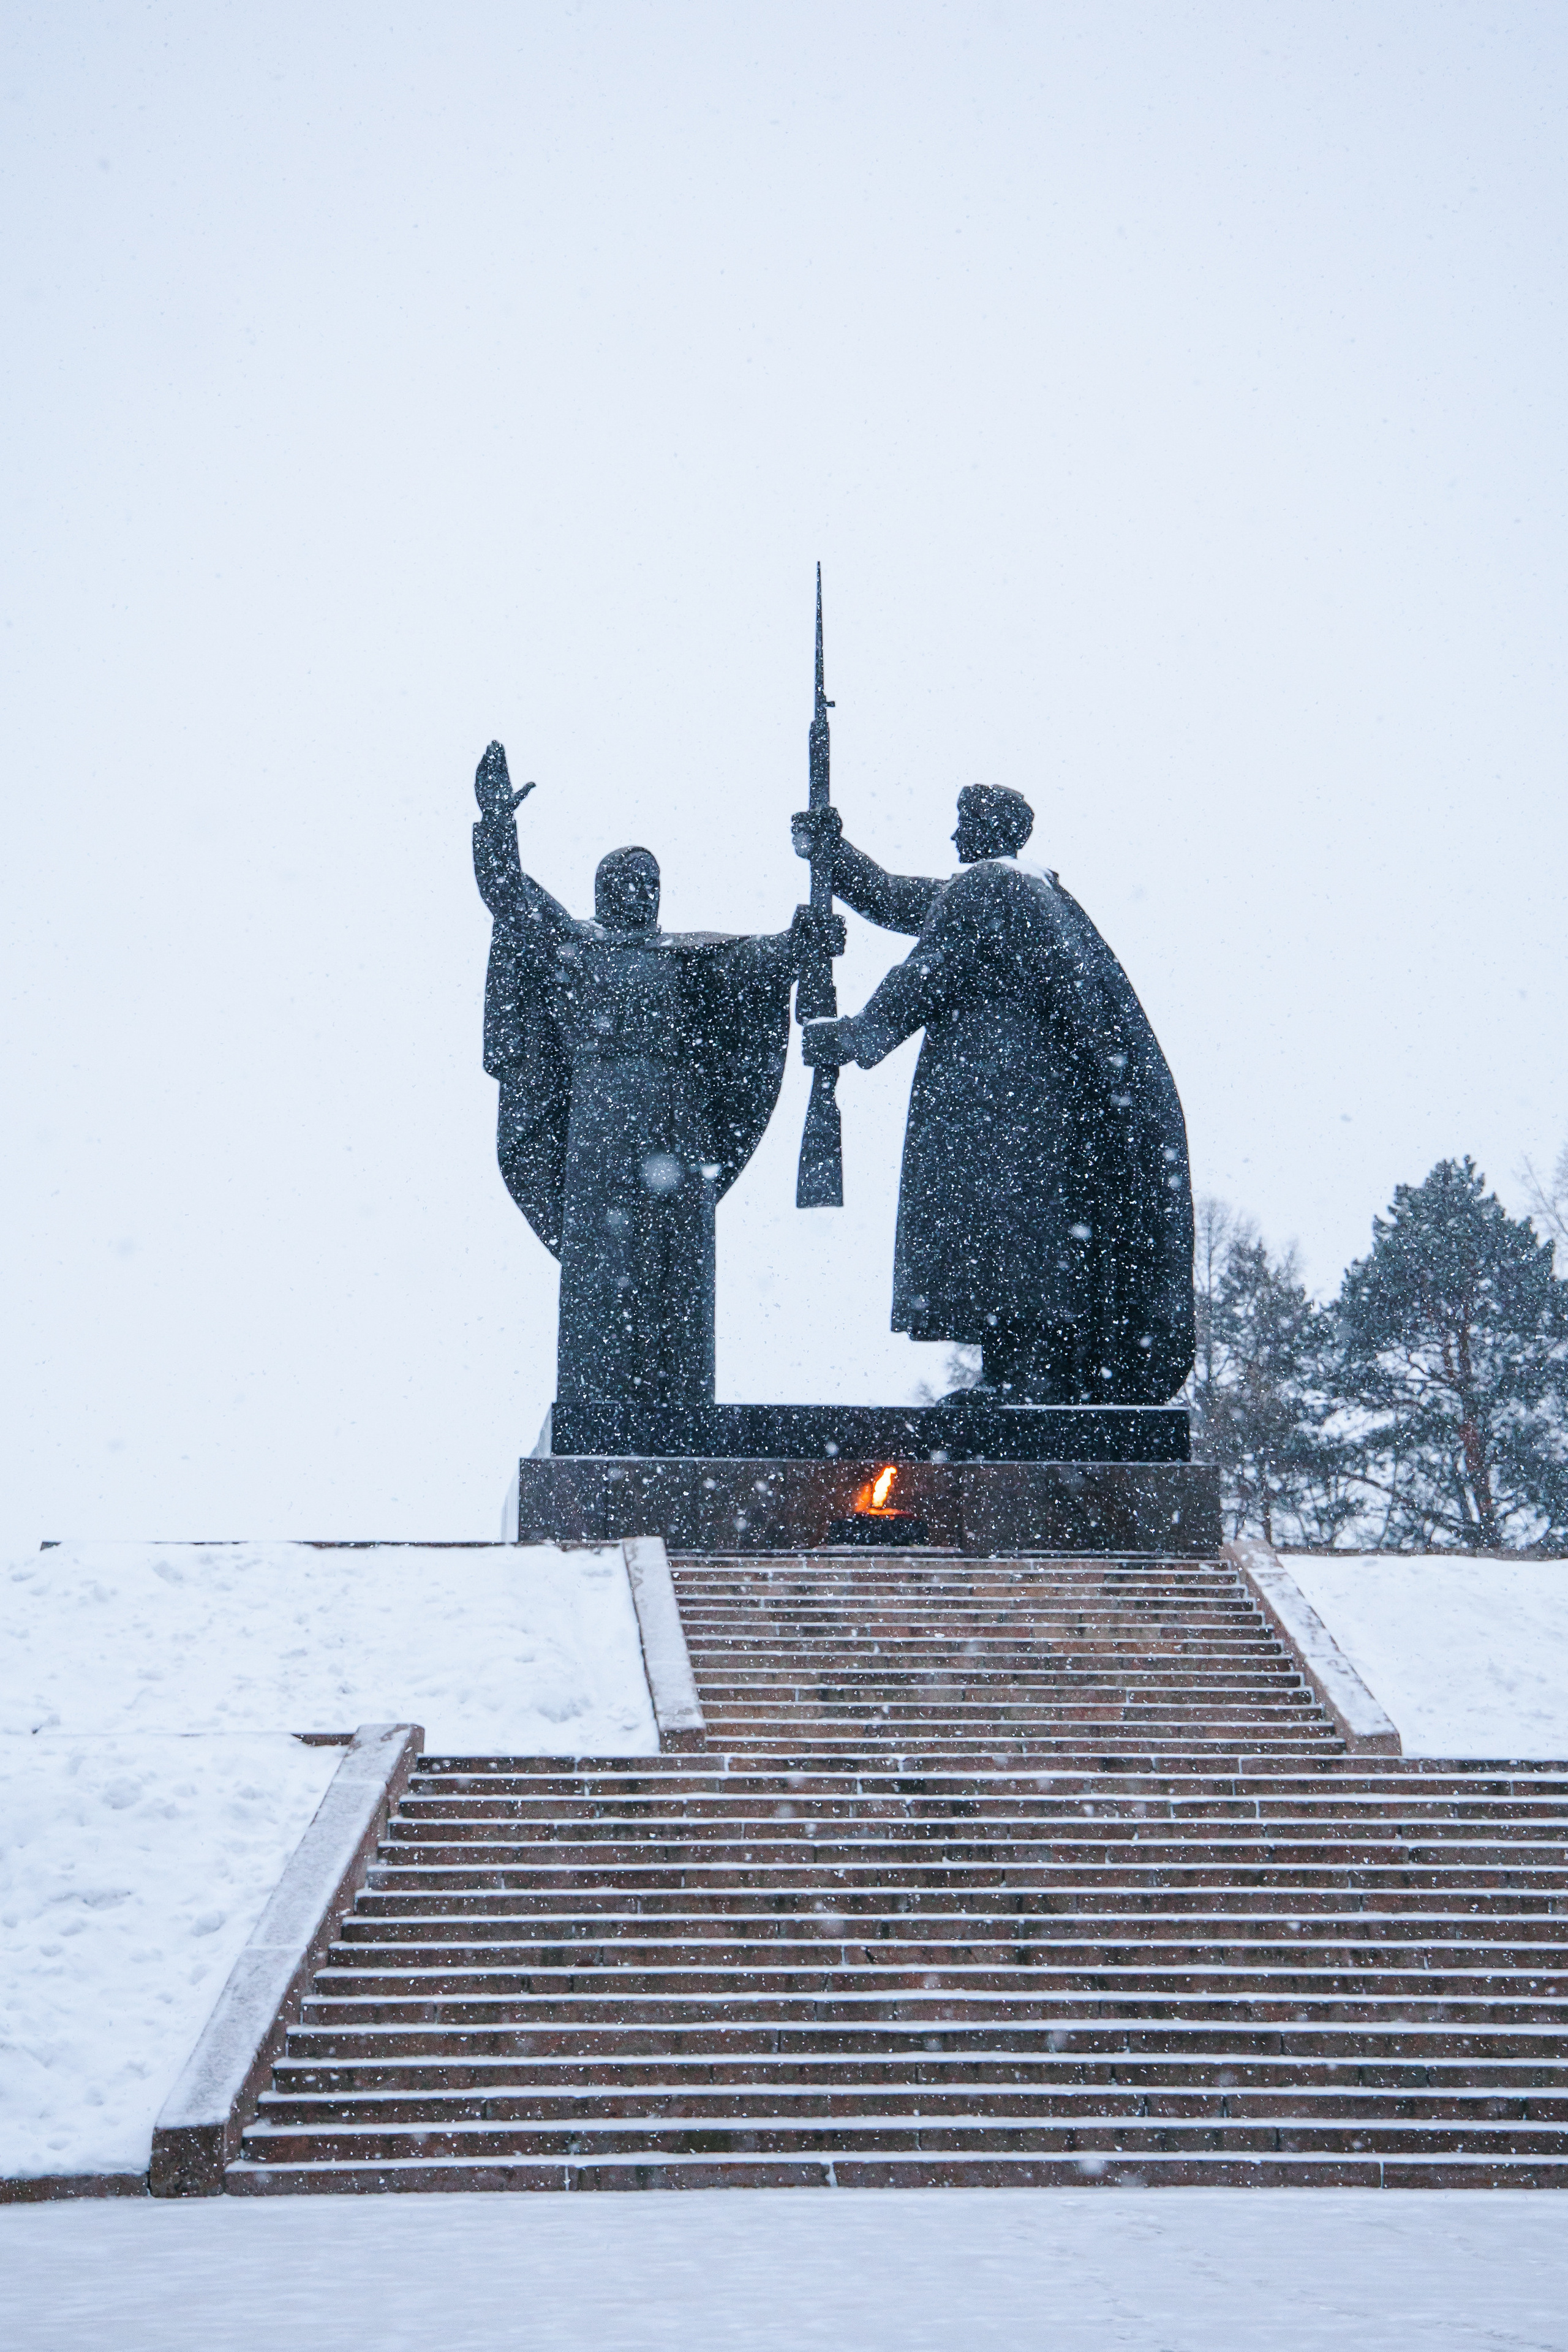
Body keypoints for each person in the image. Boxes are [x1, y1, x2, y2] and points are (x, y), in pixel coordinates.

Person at [792, 783, 1194, 1404]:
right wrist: (831, 854)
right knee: (1024, 1238)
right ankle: (1030, 1378)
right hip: (1029, 1100)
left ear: (991, 829)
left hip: (994, 1095)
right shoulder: (1028, 889)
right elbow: (901, 900)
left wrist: (855, 1035)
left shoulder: (991, 886)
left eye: (962, 825)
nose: (954, 839)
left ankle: (1018, 1379)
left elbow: (930, 969)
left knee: (998, 1237)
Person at [475, 741, 838, 1404]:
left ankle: (680, 1399)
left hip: (679, 1118)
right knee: (602, 1262)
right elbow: (509, 897)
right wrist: (497, 824)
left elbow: (755, 963)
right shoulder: (574, 949)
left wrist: (803, 939)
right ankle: (597, 1399)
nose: (643, 893)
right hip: (601, 1120)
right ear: (603, 892)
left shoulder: (692, 957)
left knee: (679, 1264)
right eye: (630, 882)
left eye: (653, 883)